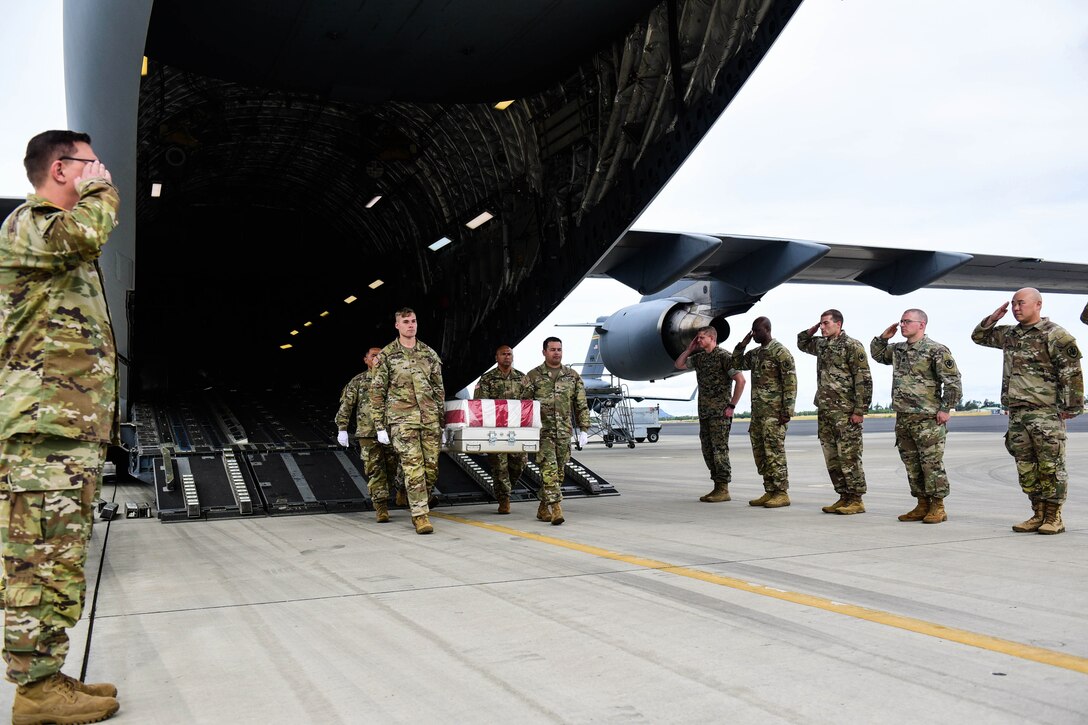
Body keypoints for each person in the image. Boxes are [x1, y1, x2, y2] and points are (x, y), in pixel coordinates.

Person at [0, 131, 121, 722]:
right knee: (36, 560)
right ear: (59, 168)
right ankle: (33, 693)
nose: (99, 169)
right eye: (89, 161)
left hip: (63, 434)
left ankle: (46, 676)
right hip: (38, 434)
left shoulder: (56, 240)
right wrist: (102, 188)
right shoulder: (32, 224)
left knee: (58, 560)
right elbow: (84, 231)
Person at [971, 288, 1083, 535]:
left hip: (1044, 412)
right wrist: (993, 319)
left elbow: (1071, 372)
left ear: (1038, 305)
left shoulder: (1056, 335)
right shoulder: (1010, 333)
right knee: (1026, 467)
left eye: (1020, 303)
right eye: (1013, 304)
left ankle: (1054, 517)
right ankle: (1038, 514)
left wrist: (1071, 406)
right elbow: (979, 337)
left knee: (1050, 466)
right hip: (1017, 413)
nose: (1016, 308)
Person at [871, 309, 962, 524]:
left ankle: (938, 506)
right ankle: (922, 504)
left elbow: (953, 382)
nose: (902, 325)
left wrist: (945, 408)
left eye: (907, 321)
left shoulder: (936, 350)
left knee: (931, 463)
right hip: (904, 416)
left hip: (928, 417)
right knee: (911, 463)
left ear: (921, 325)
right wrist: (883, 337)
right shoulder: (898, 349)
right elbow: (877, 355)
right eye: (901, 321)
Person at [369, 309, 445, 535]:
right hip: (402, 421)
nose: (411, 325)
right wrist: (380, 426)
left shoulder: (429, 354)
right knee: (414, 467)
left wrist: (443, 423)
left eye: (413, 321)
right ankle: (420, 516)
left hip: (430, 420)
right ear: (397, 326)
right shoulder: (387, 356)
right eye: (406, 322)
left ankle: (406, 492)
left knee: (431, 469)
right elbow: (377, 393)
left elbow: (439, 389)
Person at [797, 309, 873, 515]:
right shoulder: (821, 344)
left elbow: (863, 379)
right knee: (831, 456)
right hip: (826, 411)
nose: (822, 327)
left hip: (846, 412)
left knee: (849, 456)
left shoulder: (852, 346)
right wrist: (812, 328)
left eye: (826, 323)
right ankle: (843, 495)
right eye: (821, 324)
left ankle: (856, 499)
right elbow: (802, 342)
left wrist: (860, 410)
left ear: (838, 324)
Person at [520, 337, 591, 525]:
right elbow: (524, 406)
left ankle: (543, 507)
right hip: (543, 434)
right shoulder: (533, 376)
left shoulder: (572, 376)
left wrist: (584, 429)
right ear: (544, 352)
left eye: (559, 349)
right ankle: (556, 509)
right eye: (552, 349)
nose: (556, 352)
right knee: (549, 470)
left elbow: (581, 404)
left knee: (558, 473)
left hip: (564, 433)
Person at [675, 326, 746, 503]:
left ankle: (723, 488)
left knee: (719, 450)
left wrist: (732, 405)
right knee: (707, 450)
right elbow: (679, 364)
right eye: (697, 338)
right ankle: (716, 486)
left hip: (720, 413)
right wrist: (689, 349)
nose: (698, 340)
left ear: (712, 338)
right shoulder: (699, 358)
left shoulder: (724, 357)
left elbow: (740, 380)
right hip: (705, 413)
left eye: (701, 338)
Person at [731, 317, 796, 508]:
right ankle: (770, 490)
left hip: (774, 413)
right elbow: (737, 363)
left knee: (774, 452)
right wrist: (742, 345)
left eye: (757, 330)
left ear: (767, 329)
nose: (754, 334)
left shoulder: (780, 352)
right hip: (758, 413)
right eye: (752, 330)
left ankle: (781, 492)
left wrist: (787, 411)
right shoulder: (756, 353)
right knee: (760, 453)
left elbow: (790, 383)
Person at [336, 347, 401, 523]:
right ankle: (381, 507)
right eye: (373, 355)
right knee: (375, 469)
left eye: (381, 355)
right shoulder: (358, 381)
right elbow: (346, 405)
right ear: (366, 360)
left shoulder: (393, 379)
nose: (377, 358)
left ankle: (401, 493)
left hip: (392, 431)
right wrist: (342, 428)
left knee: (395, 467)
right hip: (368, 433)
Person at [473, 345, 527, 514]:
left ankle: (506, 489)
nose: (507, 357)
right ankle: (504, 498)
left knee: (519, 464)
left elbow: (529, 403)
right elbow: (480, 405)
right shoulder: (487, 379)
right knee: (500, 466)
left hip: (517, 431)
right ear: (496, 357)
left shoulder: (522, 378)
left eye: (509, 354)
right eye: (503, 354)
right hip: (495, 432)